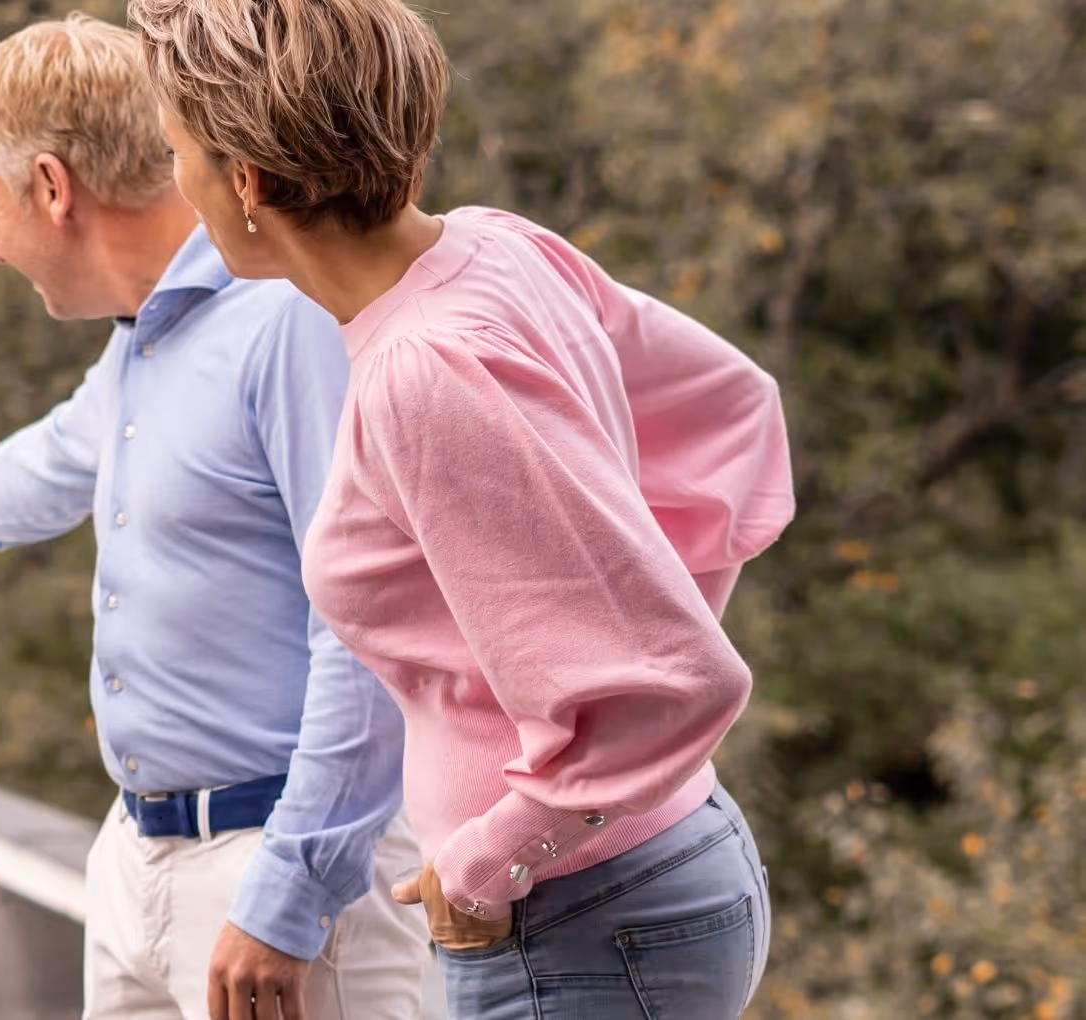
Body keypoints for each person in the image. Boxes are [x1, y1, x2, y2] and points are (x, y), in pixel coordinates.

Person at [129, 0, 797, 1016]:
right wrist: (649, 605)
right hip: (649, 875)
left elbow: (670, 684)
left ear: (249, 181)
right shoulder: (498, 248)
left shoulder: (426, 368)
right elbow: (732, 414)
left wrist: (492, 859)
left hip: (573, 921)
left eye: (178, 154)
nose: (178, 184)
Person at [0, 15, 440, 1020]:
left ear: (51, 186)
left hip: (278, 873)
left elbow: (370, 627)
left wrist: (289, 895)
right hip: (138, 858)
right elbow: (59, 457)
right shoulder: (148, 339)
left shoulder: (285, 320)